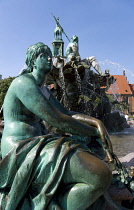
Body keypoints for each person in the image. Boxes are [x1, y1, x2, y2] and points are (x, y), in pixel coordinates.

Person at [0, 42, 113, 210]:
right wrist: (94, 133)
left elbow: (66, 113)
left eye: (49, 55)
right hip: (19, 148)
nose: (48, 58)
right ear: (32, 61)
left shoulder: (43, 88)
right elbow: (57, 120)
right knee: (100, 176)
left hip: (39, 143)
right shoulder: (23, 83)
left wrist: (97, 123)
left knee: (92, 156)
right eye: (42, 55)